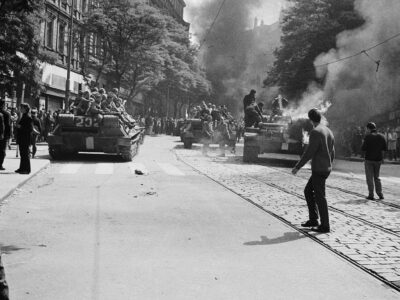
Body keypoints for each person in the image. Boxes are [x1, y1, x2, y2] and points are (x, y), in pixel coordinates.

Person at [292, 109, 335, 233]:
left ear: (310, 120)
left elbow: (309, 152)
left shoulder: (315, 132)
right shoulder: (328, 130)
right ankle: (313, 219)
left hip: (319, 168)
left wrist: (297, 167)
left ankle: (325, 225)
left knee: (320, 196)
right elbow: (333, 151)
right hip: (325, 168)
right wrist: (329, 164)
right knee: (308, 191)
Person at [361, 122, 387, 200]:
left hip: (369, 160)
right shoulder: (382, 136)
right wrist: (382, 158)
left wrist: (363, 142)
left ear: (368, 129)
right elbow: (384, 149)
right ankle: (380, 194)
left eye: (366, 129)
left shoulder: (367, 137)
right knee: (377, 177)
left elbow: (363, 149)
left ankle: (371, 195)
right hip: (378, 160)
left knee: (369, 178)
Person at [15, 103, 33, 174]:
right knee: (22, 154)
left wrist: (20, 127)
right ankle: (22, 168)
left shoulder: (28, 117)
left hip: (25, 139)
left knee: (25, 154)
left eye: (21, 108)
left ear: (25, 109)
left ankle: (27, 169)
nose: (20, 109)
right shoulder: (23, 116)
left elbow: (30, 129)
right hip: (22, 138)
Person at [0, 100, 11, 170]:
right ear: (3, 105)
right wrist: (8, 135)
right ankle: (0, 164)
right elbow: (8, 126)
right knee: (2, 151)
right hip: (3, 135)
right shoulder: (6, 114)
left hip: (2, 134)